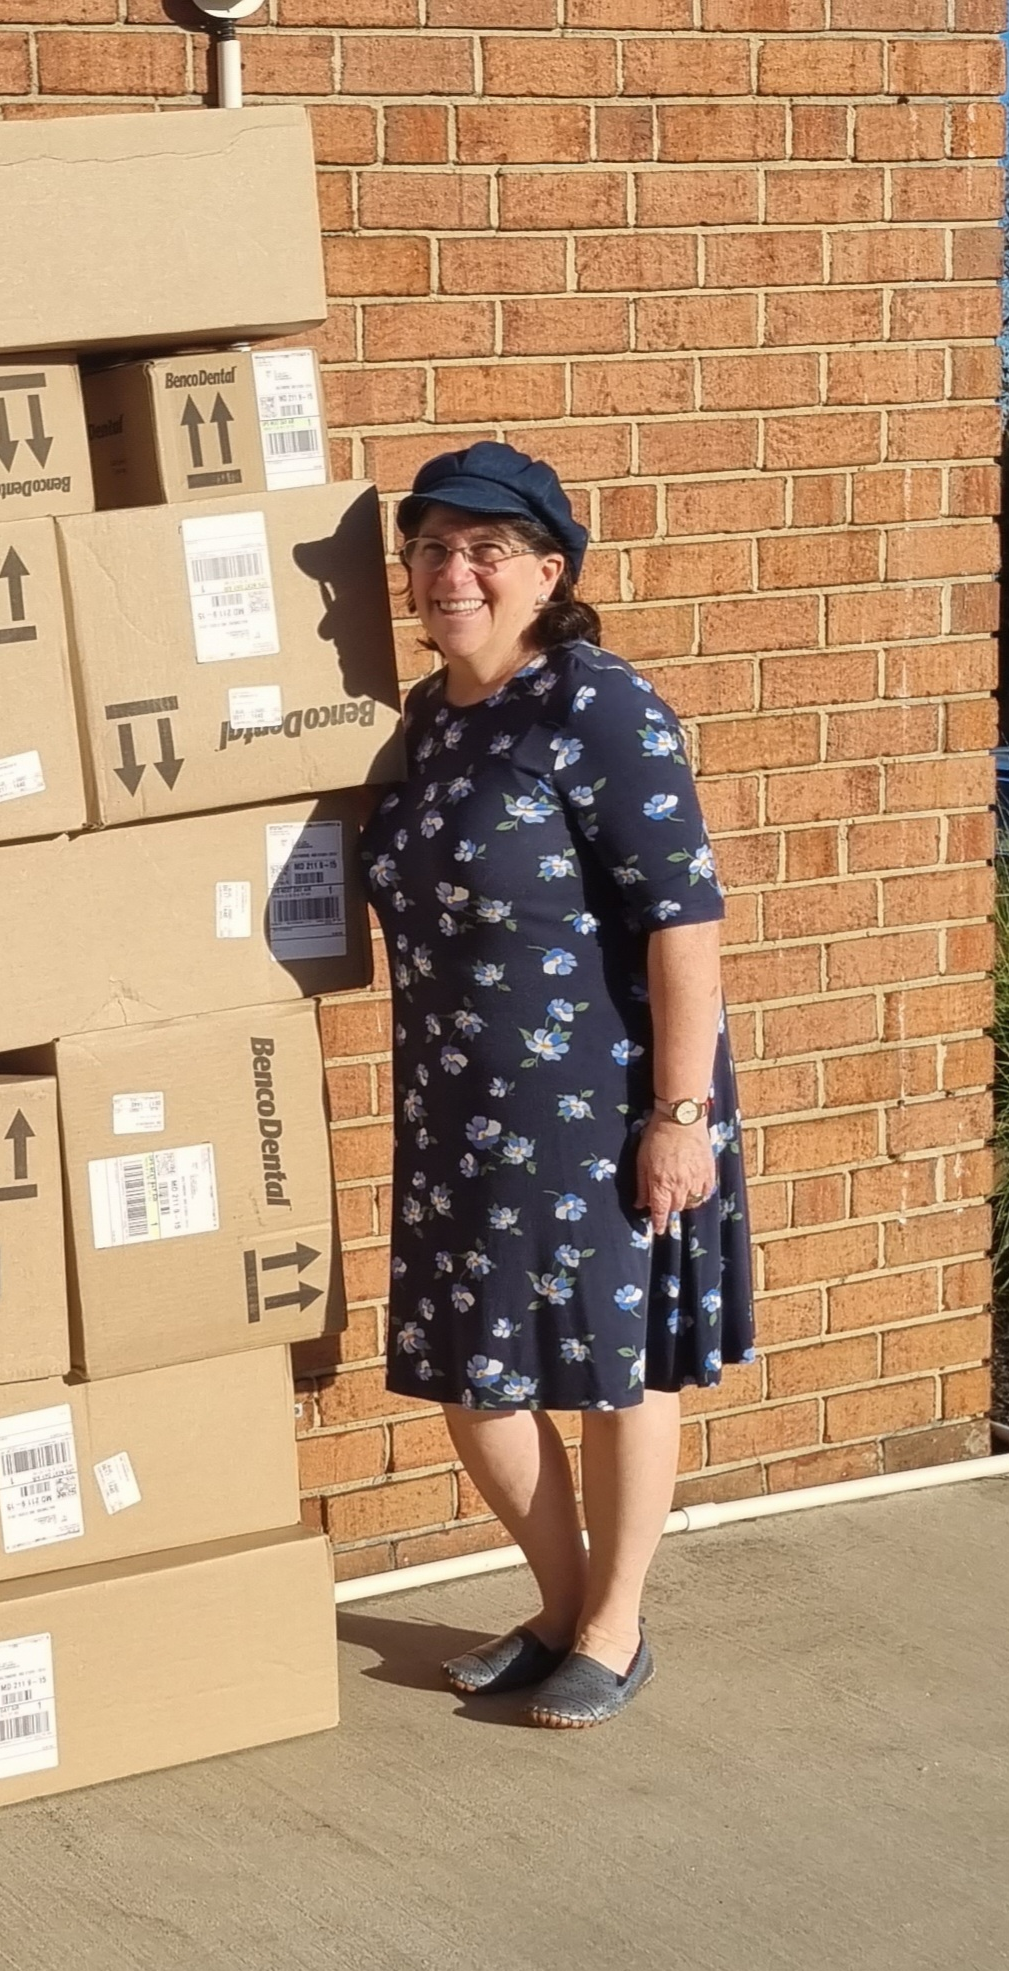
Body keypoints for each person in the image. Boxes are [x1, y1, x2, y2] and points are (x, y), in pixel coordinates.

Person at [359, 442, 756, 1730]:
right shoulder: (426, 721)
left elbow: (683, 921)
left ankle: (614, 1623)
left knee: (612, 1363)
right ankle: (560, 1603)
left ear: (548, 570)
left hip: (600, 1108)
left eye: (485, 548)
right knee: (481, 1377)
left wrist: (681, 1117)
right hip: (459, 1109)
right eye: (430, 548)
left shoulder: (598, 706)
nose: (451, 571)